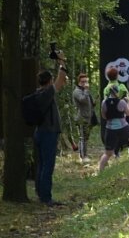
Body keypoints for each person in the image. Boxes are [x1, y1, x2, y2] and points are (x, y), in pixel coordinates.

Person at [32, 58, 69, 206]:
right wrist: (62, 61)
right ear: (49, 81)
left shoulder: (37, 93)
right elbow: (61, 79)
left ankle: (41, 194)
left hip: (39, 132)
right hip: (48, 133)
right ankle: (46, 197)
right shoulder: (47, 93)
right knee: (48, 165)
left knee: (41, 164)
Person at [98, 85, 129, 172]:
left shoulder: (104, 102)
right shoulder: (121, 102)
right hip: (122, 127)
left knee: (108, 153)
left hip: (110, 129)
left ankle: (100, 171)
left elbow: (104, 116)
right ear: (117, 92)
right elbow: (128, 113)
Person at [72, 73, 96, 164]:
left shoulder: (85, 90)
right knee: (82, 138)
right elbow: (82, 100)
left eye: (86, 81)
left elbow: (89, 102)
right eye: (83, 81)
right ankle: (83, 157)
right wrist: (86, 90)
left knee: (86, 138)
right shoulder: (77, 91)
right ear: (79, 82)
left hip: (88, 117)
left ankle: (84, 154)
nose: (85, 83)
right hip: (81, 118)